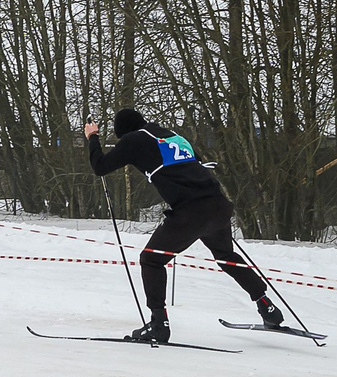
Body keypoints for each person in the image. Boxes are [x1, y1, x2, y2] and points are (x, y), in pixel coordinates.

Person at [83, 109, 282, 344]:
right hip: (217, 203)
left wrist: (93, 137)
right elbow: (197, 162)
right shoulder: (172, 135)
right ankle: (267, 306)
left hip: (190, 212)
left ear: (123, 132)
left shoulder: (133, 139)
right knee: (226, 256)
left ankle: (159, 324)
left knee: (151, 259)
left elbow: (100, 167)